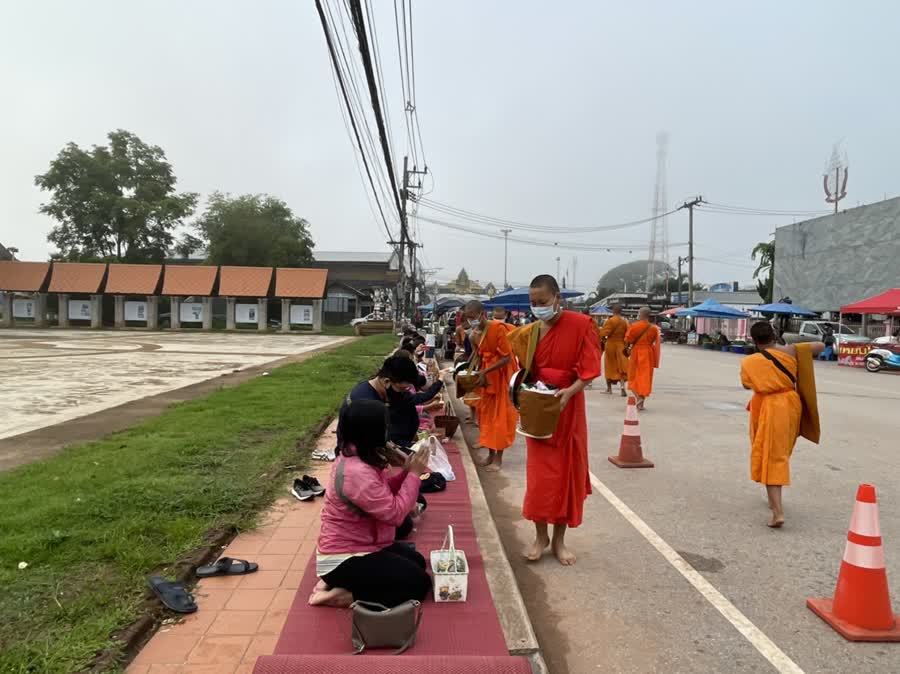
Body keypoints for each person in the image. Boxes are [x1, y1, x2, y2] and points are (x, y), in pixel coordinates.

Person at [507, 275, 601, 566]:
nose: (538, 307)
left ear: (557, 298)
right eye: (533, 303)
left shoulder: (581, 325)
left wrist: (569, 392)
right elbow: (524, 369)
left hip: (568, 407)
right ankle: (540, 537)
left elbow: (589, 369)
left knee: (565, 476)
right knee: (539, 478)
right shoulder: (530, 332)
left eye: (543, 302)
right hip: (539, 407)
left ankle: (559, 540)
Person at [311, 399, 433, 608]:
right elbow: (394, 514)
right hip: (344, 557)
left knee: (418, 562)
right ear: (371, 432)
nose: (387, 431)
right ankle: (344, 596)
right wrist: (413, 474)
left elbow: (382, 491)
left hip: (362, 546)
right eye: (384, 427)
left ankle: (336, 582)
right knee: (419, 584)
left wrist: (406, 471)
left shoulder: (356, 454)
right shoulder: (356, 471)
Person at [741, 321, 823, 528]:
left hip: (770, 406)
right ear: (774, 335)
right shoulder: (791, 351)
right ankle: (772, 499)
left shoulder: (750, 362)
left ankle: (778, 512)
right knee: (779, 451)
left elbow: (746, 384)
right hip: (791, 405)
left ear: (754, 340)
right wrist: (796, 347)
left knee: (771, 456)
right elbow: (820, 345)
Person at [464, 300, 519, 472]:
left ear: (483, 314)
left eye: (473, 317)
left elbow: (506, 358)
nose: (471, 321)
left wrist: (486, 372)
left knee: (499, 420)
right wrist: (471, 369)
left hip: (501, 378)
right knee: (485, 418)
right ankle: (489, 455)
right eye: (469, 318)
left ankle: (498, 459)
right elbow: (478, 356)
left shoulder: (497, 329)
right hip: (485, 380)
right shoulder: (473, 335)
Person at [625, 307, 661, 411]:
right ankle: (641, 403)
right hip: (648, 353)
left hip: (636, 352)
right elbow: (655, 340)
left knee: (632, 376)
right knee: (645, 377)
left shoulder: (634, 326)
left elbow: (627, 339)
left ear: (641, 314)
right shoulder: (654, 328)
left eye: (638, 313)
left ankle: (638, 397)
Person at [596, 304, 629, 396]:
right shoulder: (624, 322)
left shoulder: (610, 321)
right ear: (621, 311)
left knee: (609, 366)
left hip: (611, 345)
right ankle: (622, 388)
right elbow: (627, 335)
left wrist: (602, 338)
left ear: (613, 311)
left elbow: (603, 333)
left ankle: (609, 389)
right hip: (621, 345)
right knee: (620, 367)